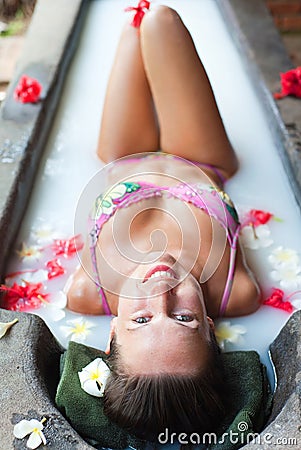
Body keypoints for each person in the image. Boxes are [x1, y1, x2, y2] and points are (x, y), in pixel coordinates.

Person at [66, 3, 261, 441]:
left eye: (140, 321)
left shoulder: (87, 289)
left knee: (134, 23)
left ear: (110, 333)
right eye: (184, 319)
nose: (161, 290)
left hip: (123, 155)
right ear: (212, 329)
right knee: (160, 20)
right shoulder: (236, 289)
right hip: (198, 155)